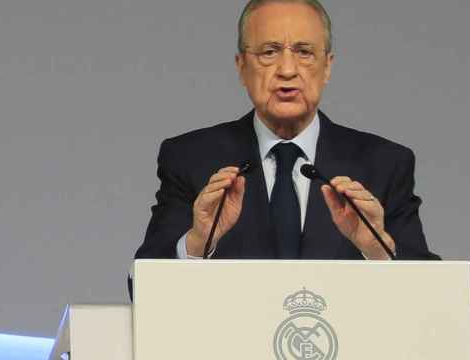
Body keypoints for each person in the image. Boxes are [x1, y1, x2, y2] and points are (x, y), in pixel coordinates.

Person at [133, 0, 439, 269]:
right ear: (241, 67)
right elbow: (143, 289)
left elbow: (432, 298)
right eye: (269, 52)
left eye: (304, 52)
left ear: (327, 66)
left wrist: (378, 251)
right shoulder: (190, 159)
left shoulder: (385, 164)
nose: (288, 70)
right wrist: (197, 244)